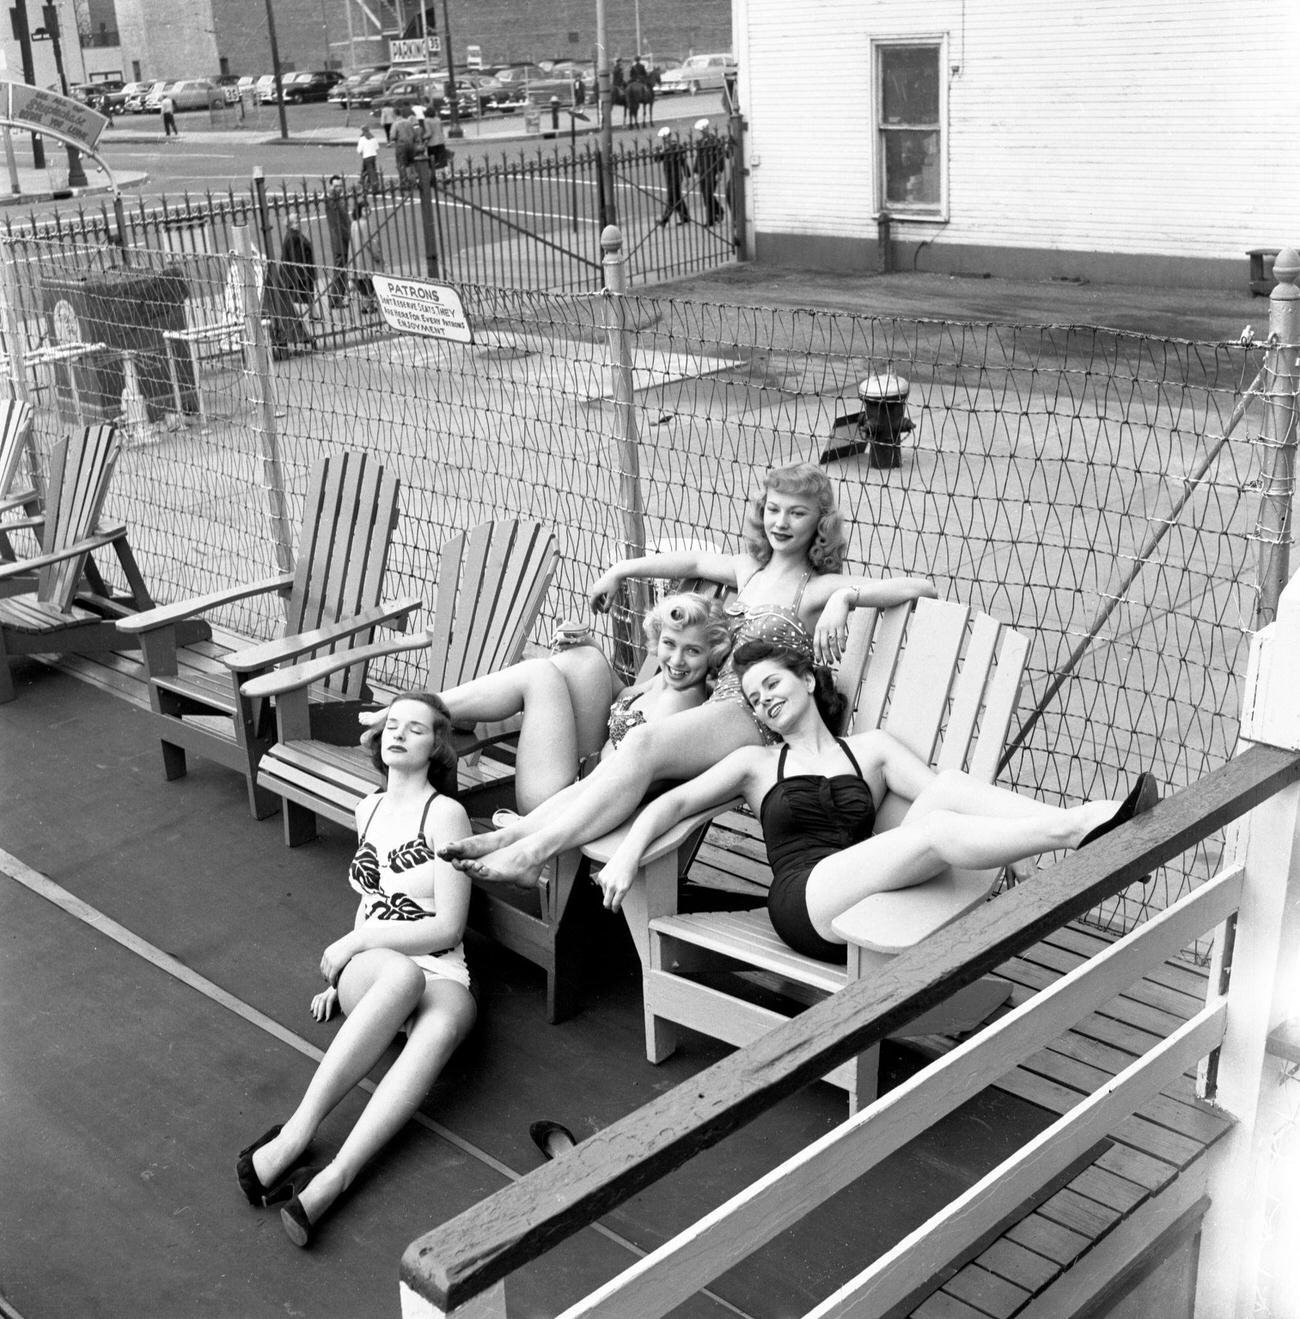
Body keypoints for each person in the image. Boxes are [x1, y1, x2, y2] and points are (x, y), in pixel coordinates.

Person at [442, 462, 938, 888]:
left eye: (797, 513)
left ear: (820, 524)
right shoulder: (751, 571)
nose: (781, 523)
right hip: (716, 708)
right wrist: (621, 569)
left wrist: (844, 599)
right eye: (773, 509)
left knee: (639, 746)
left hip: (754, 717)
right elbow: (695, 559)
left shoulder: (817, 586)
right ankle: (515, 837)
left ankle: (531, 852)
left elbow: (925, 587)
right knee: (631, 754)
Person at [595, 640, 1161, 959]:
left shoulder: (874, 750)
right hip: (806, 902)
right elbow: (672, 804)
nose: (764, 699)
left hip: (870, 887)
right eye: (753, 697)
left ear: (807, 681)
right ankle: (1080, 831)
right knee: (937, 829)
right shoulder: (757, 764)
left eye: (772, 683)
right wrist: (626, 855)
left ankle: (1099, 824)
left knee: (950, 786)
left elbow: (953, 797)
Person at [235, 692, 475, 1247]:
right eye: (392, 725)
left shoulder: (445, 814)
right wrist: (345, 967)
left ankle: (332, 1181)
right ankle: (295, 1137)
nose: (398, 734)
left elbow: (448, 930)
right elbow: (372, 896)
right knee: (399, 978)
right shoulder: (368, 807)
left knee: (438, 1023)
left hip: (438, 966)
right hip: (379, 966)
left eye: (415, 729)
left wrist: (357, 940)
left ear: (436, 746)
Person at [390, 593, 731, 816]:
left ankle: (420, 707)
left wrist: (533, 831)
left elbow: (620, 783)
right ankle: (443, 710)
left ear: (712, 654)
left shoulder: (680, 709)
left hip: (566, 805)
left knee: (540, 674)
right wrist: (591, 647)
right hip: (584, 769)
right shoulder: (667, 683)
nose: (677, 659)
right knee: (584, 660)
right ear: (658, 640)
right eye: (670, 644)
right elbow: (625, 698)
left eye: (693, 651)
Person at [279, 213, 318, 330]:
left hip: (296, 271)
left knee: (305, 294)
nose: (299, 223)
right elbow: (295, 256)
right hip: (298, 272)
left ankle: (313, 314)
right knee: (302, 293)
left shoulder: (293, 235)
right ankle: (308, 315)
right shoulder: (293, 237)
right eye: (297, 221)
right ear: (291, 224)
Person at [349, 199, 383, 315]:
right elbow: (371, 242)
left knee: (362, 283)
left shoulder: (354, 223)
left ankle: (365, 305)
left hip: (357, 258)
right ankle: (369, 306)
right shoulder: (365, 224)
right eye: (365, 209)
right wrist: (377, 255)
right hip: (367, 258)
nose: (368, 211)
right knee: (370, 282)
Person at [324, 174, 351, 311]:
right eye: (336, 186)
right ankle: (335, 298)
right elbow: (340, 223)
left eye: (340, 186)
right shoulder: (332, 201)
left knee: (342, 269)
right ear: (330, 187)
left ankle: (338, 296)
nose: (338, 189)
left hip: (343, 238)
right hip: (339, 240)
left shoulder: (340, 199)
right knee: (339, 270)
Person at [693, 119, 726, 226]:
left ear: (707, 128)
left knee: (708, 194)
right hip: (703, 172)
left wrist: (719, 171)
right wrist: (696, 171)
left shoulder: (715, 140)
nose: (703, 133)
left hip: (712, 171)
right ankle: (718, 211)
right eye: (701, 131)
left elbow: (720, 157)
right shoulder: (701, 142)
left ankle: (710, 219)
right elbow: (698, 158)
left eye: (704, 131)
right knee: (706, 196)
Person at [656, 125, 690, 225]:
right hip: (669, 177)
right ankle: (685, 217)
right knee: (677, 197)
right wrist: (661, 150)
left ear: (669, 137)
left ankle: (664, 220)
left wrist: (687, 176)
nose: (664, 140)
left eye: (665, 138)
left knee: (671, 199)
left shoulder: (676, 147)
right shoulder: (664, 148)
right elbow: (657, 159)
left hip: (676, 176)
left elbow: (683, 162)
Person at [392, 106, 420, 190]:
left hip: (401, 146)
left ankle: (405, 183)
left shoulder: (396, 123)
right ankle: (415, 181)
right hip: (411, 145)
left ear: (394, 114)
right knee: (412, 164)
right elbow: (415, 134)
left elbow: (392, 136)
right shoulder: (408, 122)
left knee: (402, 164)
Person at [356, 124, 381, 193]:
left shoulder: (362, 139)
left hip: (366, 157)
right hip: (373, 156)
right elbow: (377, 147)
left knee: (370, 172)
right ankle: (364, 182)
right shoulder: (373, 138)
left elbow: (359, 150)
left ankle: (372, 187)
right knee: (369, 170)